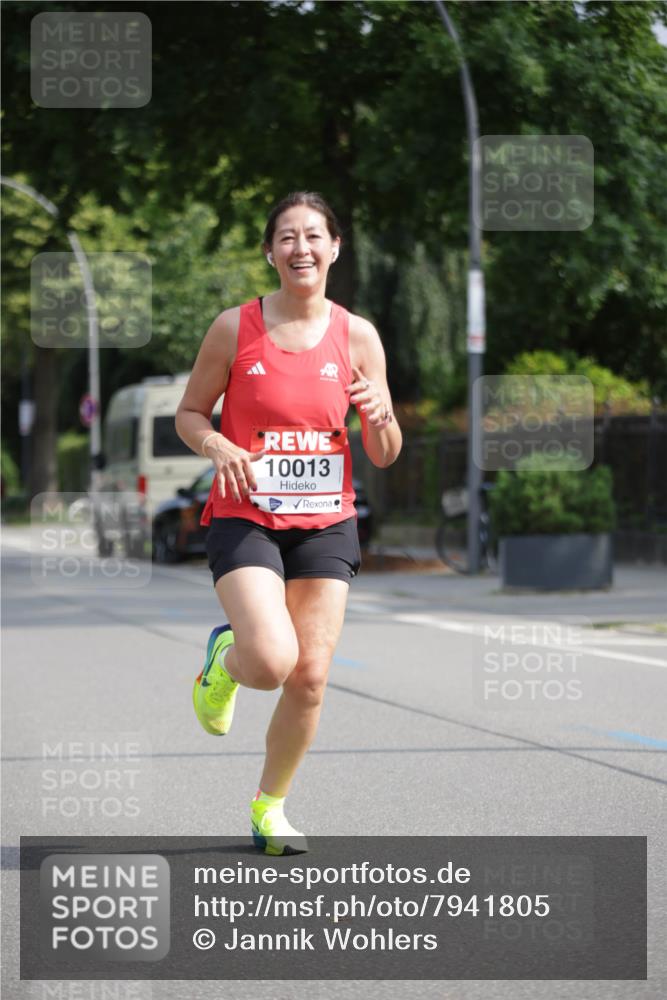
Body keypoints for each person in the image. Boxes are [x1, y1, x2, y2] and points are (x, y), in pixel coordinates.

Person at [175, 191, 402, 856]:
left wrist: (381, 414)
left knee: (309, 677)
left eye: (313, 236)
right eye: (286, 237)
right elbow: (190, 412)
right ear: (270, 252)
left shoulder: (357, 336)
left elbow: (385, 453)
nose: (301, 248)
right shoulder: (234, 328)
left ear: (334, 248)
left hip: (327, 522)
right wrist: (216, 444)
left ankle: (269, 808)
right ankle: (225, 661)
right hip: (246, 513)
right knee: (272, 662)